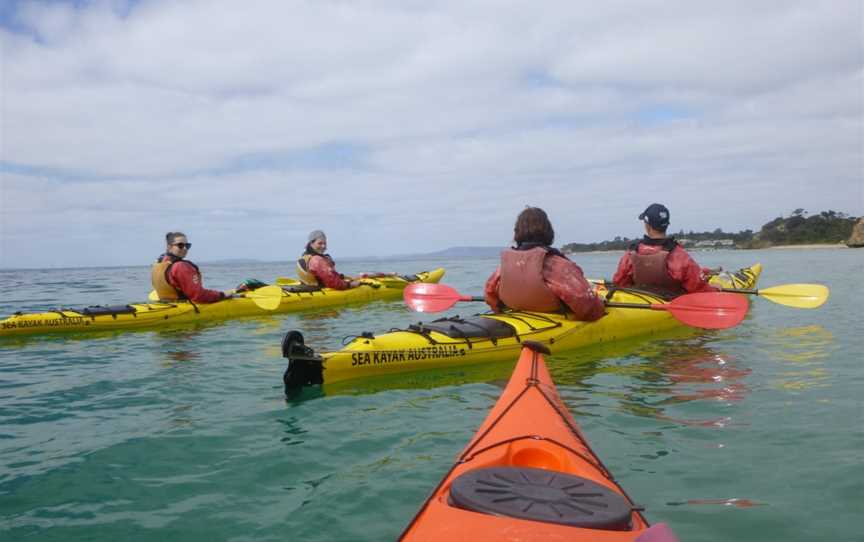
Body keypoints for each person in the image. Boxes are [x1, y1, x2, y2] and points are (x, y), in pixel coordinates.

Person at [484, 207, 605, 321]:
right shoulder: (557, 265)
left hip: (520, 319)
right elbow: (588, 307)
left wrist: (499, 311)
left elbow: (490, 294)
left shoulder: (504, 267)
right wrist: (601, 304)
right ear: (548, 231)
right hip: (553, 322)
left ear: (517, 232)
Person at [612, 203, 717, 297]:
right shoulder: (679, 255)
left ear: (647, 226)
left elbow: (619, 282)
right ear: (666, 225)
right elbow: (698, 288)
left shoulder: (632, 252)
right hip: (670, 306)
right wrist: (715, 289)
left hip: (642, 307)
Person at [151, 232, 233, 302]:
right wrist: (222, 294)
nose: (185, 248)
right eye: (180, 245)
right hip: (184, 306)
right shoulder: (181, 266)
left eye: (187, 245)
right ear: (169, 247)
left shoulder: (158, 263)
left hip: (165, 303)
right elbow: (198, 296)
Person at [296, 230, 362, 290]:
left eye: (325, 243)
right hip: (319, 291)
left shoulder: (305, 257)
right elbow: (332, 282)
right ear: (311, 244)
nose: (323, 246)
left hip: (308, 288)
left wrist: (343, 277)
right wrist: (349, 284)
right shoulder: (317, 260)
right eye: (320, 243)